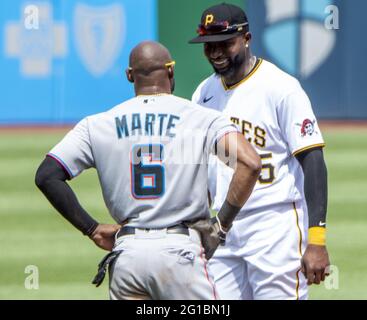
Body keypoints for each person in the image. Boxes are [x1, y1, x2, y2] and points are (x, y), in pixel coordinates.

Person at [35, 41, 261, 300]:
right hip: (180, 252)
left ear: (130, 75)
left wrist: (92, 229)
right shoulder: (200, 118)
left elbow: (46, 175)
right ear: (170, 71)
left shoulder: (97, 124)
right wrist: (221, 226)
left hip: (128, 254)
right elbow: (250, 163)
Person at [189, 3, 330, 300]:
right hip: (222, 229)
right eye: (209, 45)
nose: (215, 52)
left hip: (274, 226)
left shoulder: (281, 88)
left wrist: (316, 239)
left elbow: (313, 159)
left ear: (246, 38)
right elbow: (200, 168)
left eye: (224, 43)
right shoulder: (203, 93)